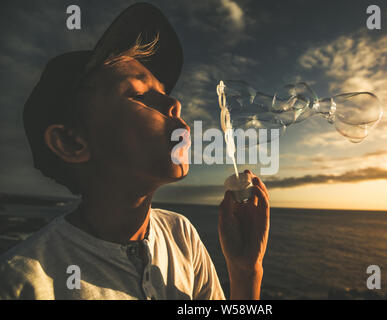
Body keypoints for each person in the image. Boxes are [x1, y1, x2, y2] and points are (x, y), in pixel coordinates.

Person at [0, 3, 270, 300]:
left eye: (165, 94)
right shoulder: (21, 282)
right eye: (139, 95)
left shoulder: (181, 234)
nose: (174, 104)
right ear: (71, 143)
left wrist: (245, 272)